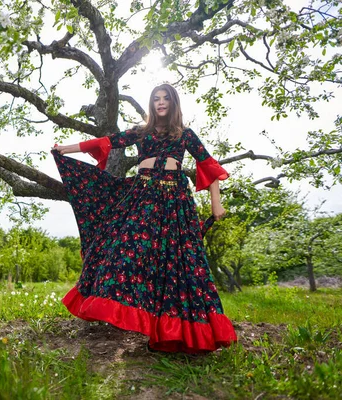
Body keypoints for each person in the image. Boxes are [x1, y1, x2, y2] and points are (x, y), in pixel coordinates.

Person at [51, 83, 237, 353]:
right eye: (156, 99)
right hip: (144, 196)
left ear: (173, 103)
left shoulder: (185, 134)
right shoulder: (141, 131)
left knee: (175, 265)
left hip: (175, 201)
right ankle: (114, 308)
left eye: (165, 99)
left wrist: (216, 205)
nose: (160, 103)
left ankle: (175, 333)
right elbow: (106, 143)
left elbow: (209, 166)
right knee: (126, 249)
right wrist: (65, 149)